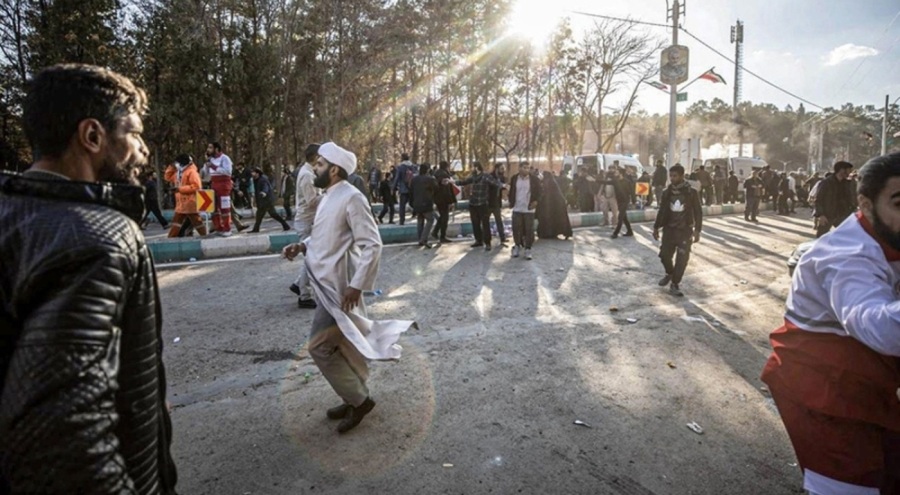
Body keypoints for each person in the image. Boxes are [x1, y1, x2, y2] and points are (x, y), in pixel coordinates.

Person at [0, 63, 177, 493]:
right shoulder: (100, 237)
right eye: (133, 135)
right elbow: (63, 437)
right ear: (93, 136)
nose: (143, 151)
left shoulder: (10, 213)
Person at [761, 153, 900, 495]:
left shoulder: (886, 234)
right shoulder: (846, 257)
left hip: (873, 380)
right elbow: (875, 325)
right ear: (866, 205)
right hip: (826, 389)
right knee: (853, 484)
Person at [281, 142, 415, 434]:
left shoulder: (352, 197)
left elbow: (372, 243)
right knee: (345, 345)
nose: (313, 168)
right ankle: (352, 396)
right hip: (326, 284)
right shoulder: (328, 196)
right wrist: (301, 245)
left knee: (319, 347)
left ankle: (360, 399)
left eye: (318, 164)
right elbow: (326, 238)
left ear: (334, 169)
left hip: (341, 289)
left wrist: (356, 286)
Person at [653, 164, 702, 297]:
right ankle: (669, 273)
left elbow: (698, 212)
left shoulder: (691, 192)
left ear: (681, 176)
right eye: (671, 176)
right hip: (669, 230)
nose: (672, 178)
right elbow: (662, 210)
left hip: (684, 231)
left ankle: (675, 284)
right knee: (664, 255)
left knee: (682, 259)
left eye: (675, 176)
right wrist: (656, 227)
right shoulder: (666, 192)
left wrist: (697, 230)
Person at [290, 143, 321, 309]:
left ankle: (297, 284)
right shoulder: (307, 176)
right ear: (316, 157)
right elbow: (312, 202)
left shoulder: (309, 172)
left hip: (308, 220)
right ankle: (304, 295)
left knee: (311, 257)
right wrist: (330, 196)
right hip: (306, 221)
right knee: (312, 259)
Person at [455, 161, 507, 251]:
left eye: (472, 167)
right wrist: (453, 181)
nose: (471, 169)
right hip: (473, 203)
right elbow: (464, 182)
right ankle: (478, 240)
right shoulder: (473, 177)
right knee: (475, 223)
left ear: (476, 167)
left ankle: (487, 243)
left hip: (483, 203)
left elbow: (495, 182)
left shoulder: (485, 176)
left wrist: (503, 185)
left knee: (485, 223)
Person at [165, 153, 208, 237]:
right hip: (181, 202)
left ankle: (205, 235)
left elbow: (196, 186)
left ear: (182, 163)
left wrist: (180, 189)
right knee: (178, 221)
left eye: (177, 163)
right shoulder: (179, 172)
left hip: (189, 202)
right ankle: (171, 237)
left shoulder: (192, 172)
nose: (176, 164)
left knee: (195, 221)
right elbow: (167, 177)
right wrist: (171, 167)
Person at [508, 161, 542, 260]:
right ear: (519, 168)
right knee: (516, 228)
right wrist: (510, 201)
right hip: (517, 207)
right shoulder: (514, 178)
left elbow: (540, 192)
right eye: (524, 167)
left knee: (529, 230)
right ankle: (517, 246)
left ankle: (528, 249)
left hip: (529, 209)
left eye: (528, 168)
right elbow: (512, 191)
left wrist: (536, 201)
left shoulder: (534, 179)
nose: (526, 170)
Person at [814, 161, 857, 238]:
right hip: (827, 215)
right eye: (848, 170)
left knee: (847, 236)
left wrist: (853, 209)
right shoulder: (826, 182)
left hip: (842, 215)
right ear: (842, 170)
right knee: (821, 238)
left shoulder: (847, 183)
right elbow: (818, 200)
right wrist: (821, 215)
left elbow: (849, 198)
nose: (850, 172)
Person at [204, 141, 235, 236]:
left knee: (224, 208)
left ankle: (227, 229)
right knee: (213, 208)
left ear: (216, 149)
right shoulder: (211, 159)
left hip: (223, 184)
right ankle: (218, 227)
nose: (208, 150)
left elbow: (227, 171)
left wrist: (213, 166)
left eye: (210, 148)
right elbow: (206, 173)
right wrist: (207, 163)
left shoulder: (225, 158)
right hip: (214, 184)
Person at [249, 167, 291, 232]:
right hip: (262, 201)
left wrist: (264, 192)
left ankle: (285, 225)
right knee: (261, 215)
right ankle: (256, 229)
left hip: (267, 200)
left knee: (272, 214)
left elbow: (265, 187)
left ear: (257, 173)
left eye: (253, 172)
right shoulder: (256, 180)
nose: (252, 174)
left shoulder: (262, 180)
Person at [536, 167, 573, 240]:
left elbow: (546, 194)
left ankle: (549, 233)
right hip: (556, 204)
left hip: (554, 205)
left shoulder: (548, 182)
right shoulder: (551, 182)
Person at [410, 163, 438, 248]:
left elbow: (411, 191)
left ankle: (420, 240)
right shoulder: (430, 179)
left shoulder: (414, 179)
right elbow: (436, 189)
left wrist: (412, 203)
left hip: (416, 204)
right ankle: (423, 239)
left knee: (420, 221)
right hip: (426, 203)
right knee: (430, 220)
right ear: (427, 170)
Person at [430, 160, 457, 242]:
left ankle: (435, 232)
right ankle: (442, 236)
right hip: (444, 199)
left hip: (437, 199)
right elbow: (447, 190)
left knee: (442, 216)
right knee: (445, 217)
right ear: (446, 167)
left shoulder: (436, 174)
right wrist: (451, 201)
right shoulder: (445, 175)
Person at [607, 168, 633, 238]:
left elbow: (632, 192)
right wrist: (595, 180)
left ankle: (615, 233)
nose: (615, 174)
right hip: (619, 201)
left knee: (620, 217)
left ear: (620, 174)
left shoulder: (627, 182)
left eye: (616, 173)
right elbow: (605, 182)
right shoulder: (616, 181)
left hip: (625, 201)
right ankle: (630, 231)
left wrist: (633, 201)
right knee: (624, 218)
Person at [392, 153, 416, 225]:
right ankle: (417, 214)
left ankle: (402, 221)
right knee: (413, 203)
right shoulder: (413, 166)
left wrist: (393, 188)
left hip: (403, 189)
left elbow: (397, 178)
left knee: (402, 206)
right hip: (412, 189)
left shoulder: (400, 167)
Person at [488, 162, 508, 245]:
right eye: (501, 169)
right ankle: (486, 239)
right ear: (496, 169)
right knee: (485, 221)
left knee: (499, 220)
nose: (503, 170)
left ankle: (502, 238)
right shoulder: (490, 177)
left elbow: (502, 188)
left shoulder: (502, 177)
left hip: (497, 202)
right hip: (488, 202)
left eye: (504, 169)